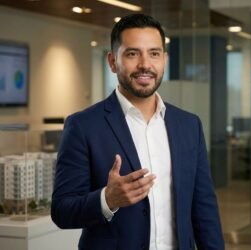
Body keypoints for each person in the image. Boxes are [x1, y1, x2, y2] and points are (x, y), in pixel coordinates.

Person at [51, 13, 224, 250]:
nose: (145, 64)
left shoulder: (189, 125)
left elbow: (204, 208)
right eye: (132, 54)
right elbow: (62, 211)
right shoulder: (83, 126)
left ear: (164, 59)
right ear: (113, 62)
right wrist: (107, 199)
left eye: (154, 53)